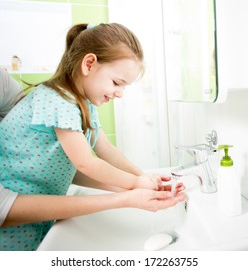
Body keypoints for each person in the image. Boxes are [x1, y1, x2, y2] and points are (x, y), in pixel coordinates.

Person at [0, 23, 186, 251]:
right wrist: (136, 183)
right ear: (89, 64)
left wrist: (145, 179)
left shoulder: (83, 103)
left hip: (39, 212)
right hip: (12, 221)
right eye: (117, 83)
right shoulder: (58, 100)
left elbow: (107, 151)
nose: (120, 93)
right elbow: (85, 162)